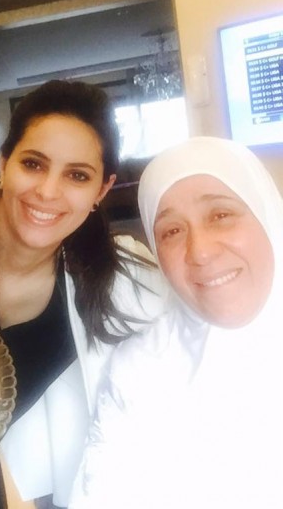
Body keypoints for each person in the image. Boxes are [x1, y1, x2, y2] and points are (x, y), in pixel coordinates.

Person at [0, 80, 165, 507]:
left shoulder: (124, 280)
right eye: (33, 164)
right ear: (4, 163)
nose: (47, 191)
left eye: (77, 175)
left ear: (101, 190)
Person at [70, 137, 283, 509]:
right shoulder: (140, 370)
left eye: (220, 215)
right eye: (171, 231)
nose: (200, 251)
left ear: (266, 212)